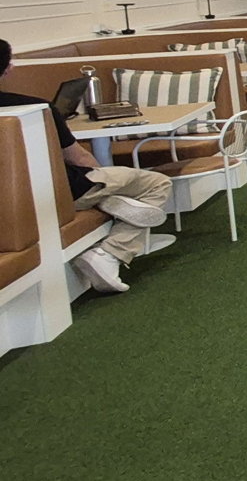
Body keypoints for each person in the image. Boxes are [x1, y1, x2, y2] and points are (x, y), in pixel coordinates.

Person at [0, 39, 173, 294]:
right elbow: (77, 158)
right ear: (7, 69)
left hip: (10, 206)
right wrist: (101, 175)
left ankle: (111, 201)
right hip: (58, 194)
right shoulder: (36, 109)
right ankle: (110, 253)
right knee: (157, 183)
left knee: (106, 184)